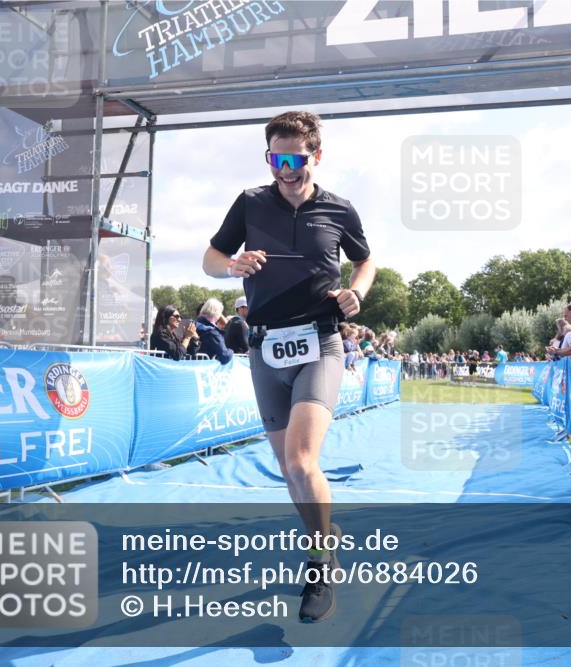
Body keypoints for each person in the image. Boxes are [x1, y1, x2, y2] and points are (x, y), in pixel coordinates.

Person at [202, 110, 375, 623]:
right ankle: (324, 536)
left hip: (320, 344)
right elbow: (210, 257)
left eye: (294, 159)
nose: (285, 169)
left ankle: (320, 566)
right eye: (276, 159)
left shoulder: (339, 209)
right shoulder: (251, 203)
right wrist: (230, 266)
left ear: (315, 156)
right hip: (263, 349)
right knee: (289, 473)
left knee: (302, 461)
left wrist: (357, 293)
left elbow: (366, 259)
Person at [195, 298, 234, 364]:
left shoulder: (193, 325)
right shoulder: (212, 333)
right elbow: (225, 357)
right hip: (205, 370)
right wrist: (231, 351)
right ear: (217, 313)